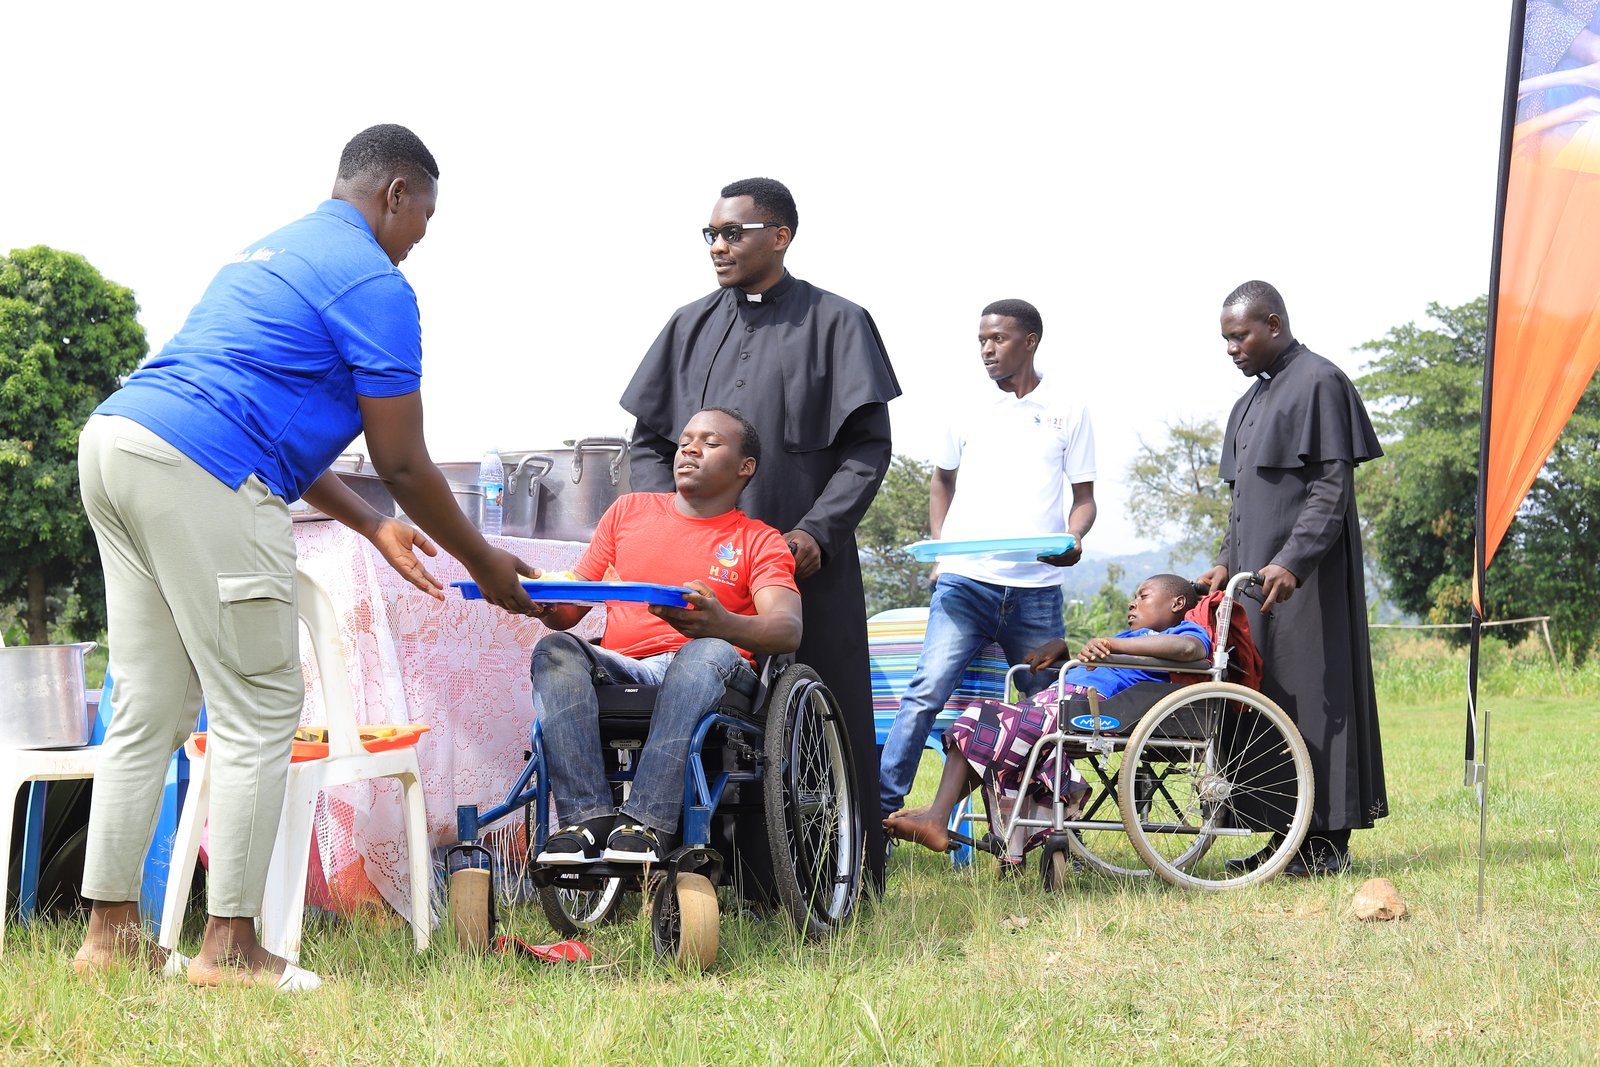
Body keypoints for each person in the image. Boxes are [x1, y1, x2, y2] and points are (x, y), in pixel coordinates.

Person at [74, 125, 536, 990]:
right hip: (202, 464)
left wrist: (371, 525)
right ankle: (232, 949)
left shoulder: (273, 250)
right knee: (259, 704)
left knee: (148, 702)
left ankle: (109, 938)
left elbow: (271, 422)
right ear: (395, 194)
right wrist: (486, 562)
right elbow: (404, 460)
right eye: (424, 216)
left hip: (118, 441)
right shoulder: (377, 282)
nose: (420, 237)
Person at [620, 178, 900, 886]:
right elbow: (648, 445)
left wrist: (817, 532)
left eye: (732, 233)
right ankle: (694, 867)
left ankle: (832, 872)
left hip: (803, 564)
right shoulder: (687, 325)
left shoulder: (839, 322)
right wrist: (661, 527)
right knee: (692, 702)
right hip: (700, 573)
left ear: (780, 236)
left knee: (821, 713)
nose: (718, 246)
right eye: (710, 234)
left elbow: (868, 450)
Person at [527, 407, 801, 864]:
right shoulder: (628, 511)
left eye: (710, 443)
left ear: (745, 466)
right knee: (555, 649)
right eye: (686, 440)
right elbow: (571, 608)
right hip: (626, 667)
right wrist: (543, 604)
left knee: (704, 651)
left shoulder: (759, 540)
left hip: (712, 668)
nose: (690, 449)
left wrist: (722, 624)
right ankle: (586, 820)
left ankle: (647, 822)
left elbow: (788, 628)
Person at [878, 298, 1097, 821]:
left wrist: (1072, 539)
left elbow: (1085, 500)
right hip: (965, 583)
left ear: (1030, 341)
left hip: (1036, 591)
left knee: (1047, 710)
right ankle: (878, 813)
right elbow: (941, 481)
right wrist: (940, 551)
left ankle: (1045, 828)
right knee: (926, 692)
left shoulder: (1068, 410)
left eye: (997, 338)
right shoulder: (965, 407)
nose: (986, 349)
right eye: (981, 340)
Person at [1197, 280, 1387, 877]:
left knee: (1315, 697)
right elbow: (1240, 505)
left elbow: (1332, 489)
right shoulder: (1248, 402)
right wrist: (1225, 559)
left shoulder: (1321, 381)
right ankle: (1286, 835)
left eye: (1240, 335)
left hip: (1309, 583)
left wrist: (1294, 561)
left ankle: (1326, 843)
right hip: (1255, 584)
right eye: (1226, 339)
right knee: (1268, 697)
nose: (1231, 348)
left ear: (1273, 324)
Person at [883, 574, 1208, 863]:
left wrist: (1113, 644)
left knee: (983, 717)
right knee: (982, 722)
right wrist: (1065, 653)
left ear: (1177, 603)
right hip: (1063, 698)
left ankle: (936, 816)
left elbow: (1188, 649)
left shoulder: (1184, 630)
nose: (1132, 603)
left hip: (1093, 709)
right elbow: (1094, 668)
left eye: (1143, 596)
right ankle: (937, 813)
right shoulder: (1130, 638)